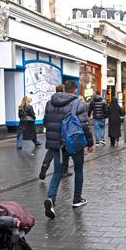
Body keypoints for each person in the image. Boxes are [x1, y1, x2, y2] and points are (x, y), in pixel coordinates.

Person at [42, 80, 94, 219]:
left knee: (57, 172)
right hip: (74, 142)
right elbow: (84, 125)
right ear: (74, 90)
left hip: (57, 144)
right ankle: (77, 199)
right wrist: (90, 142)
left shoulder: (49, 103)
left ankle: (51, 199)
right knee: (78, 170)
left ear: (64, 89)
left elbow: (46, 122)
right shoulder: (78, 103)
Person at [39, 84, 71, 180]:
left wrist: (47, 126)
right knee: (65, 150)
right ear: (63, 90)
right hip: (62, 130)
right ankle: (64, 171)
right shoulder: (66, 103)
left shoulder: (49, 103)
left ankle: (44, 166)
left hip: (51, 129)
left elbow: (46, 117)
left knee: (51, 150)